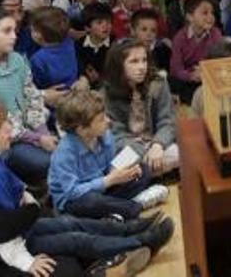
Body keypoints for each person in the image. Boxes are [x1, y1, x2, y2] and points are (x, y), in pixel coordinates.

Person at [0, 94, 165, 276]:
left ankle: (132, 229)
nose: (9, 128)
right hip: (18, 244)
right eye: (0, 126)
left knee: (75, 225)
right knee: (77, 238)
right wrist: (25, 262)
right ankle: (138, 242)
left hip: (25, 229)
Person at [0, 8, 65, 185]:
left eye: (14, 30)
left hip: (30, 131)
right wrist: (39, 139)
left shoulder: (16, 59)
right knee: (53, 161)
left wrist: (43, 132)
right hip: (3, 143)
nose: (14, 36)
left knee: (65, 148)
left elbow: (32, 96)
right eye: (6, 31)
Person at [48, 89, 169, 220]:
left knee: (142, 170)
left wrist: (121, 169)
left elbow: (109, 168)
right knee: (91, 201)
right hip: (75, 200)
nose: (108, 120)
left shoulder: (105, 135)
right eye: (101, 119)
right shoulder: (64, 153)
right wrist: (110, 180)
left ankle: (113, 210)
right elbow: (72, 192)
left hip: (104, 187)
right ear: (82, 130)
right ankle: (135, 206)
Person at [103, 40, 179, 176]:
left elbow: (167, 120)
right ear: (119, 66)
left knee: (178, 154)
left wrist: (158, 145)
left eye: (144, 60)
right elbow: (116, 133)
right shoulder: (106, 94)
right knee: (117, 168)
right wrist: (142, 150)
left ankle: (143, 177)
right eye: (134, 61)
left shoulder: (158, 83)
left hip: (155, 143)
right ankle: (148, 176)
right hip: (128, 147)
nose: (142, 67)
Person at [169, 0, 222, 104]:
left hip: (208, 75)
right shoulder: (179, 38)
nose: (210, 17)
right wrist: (191, 76)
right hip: (188, 78)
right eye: (205, 13)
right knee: (173, 82)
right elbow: (176, 69)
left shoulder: (216, 34)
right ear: (190, 17)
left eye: (212, 13)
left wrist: (205, 72)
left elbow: (219, 61)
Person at [29, 7, 81, 90]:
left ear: (38, 35)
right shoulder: (71, 43)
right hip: (76, 91)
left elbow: (38, 84)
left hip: (54, 97)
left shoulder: (38, 59)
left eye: (31, 29)